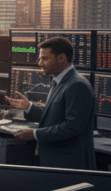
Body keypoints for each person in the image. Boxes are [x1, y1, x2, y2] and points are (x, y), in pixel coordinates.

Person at [6, 36, 96, 170]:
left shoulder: (77, 85)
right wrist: (29, 107)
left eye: (45, 58)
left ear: (61, 58)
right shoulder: (59, 81)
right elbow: (55, 116)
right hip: (55, 161)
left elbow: (72, 127)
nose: (39, 63)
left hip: (68, 165)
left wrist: (35, 134)